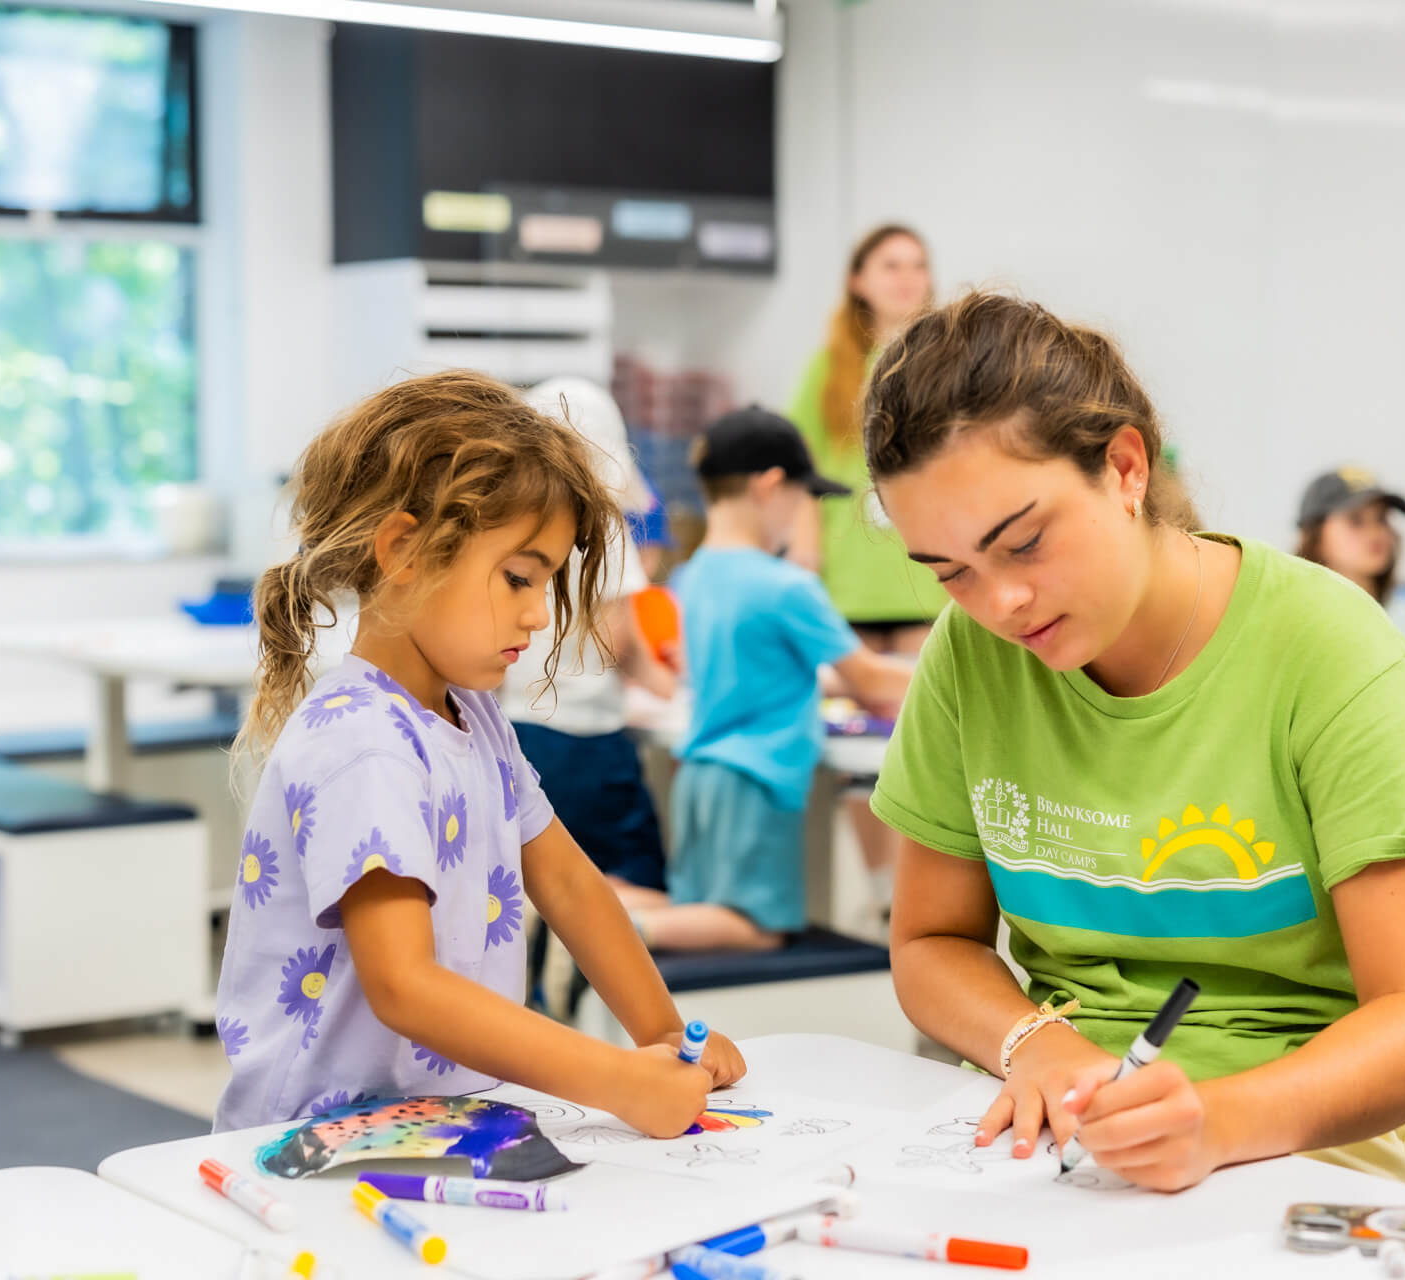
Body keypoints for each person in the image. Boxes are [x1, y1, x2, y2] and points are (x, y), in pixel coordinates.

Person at [862, 292, 1405, 1192]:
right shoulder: (969, 658)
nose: (997, 603)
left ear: (1125, 467)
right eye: (951, 571)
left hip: (1294, 1137)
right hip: (1056, 1138)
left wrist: (1219, 1122)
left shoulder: (1328, 649)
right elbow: (930, 942)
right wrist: (1033, 1041)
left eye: (1025, 543)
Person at [212, 370, 742, 1134]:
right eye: (519, 578)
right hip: (311, 1140)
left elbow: (568, 882)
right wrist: (616, 1080)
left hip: (431, 1120)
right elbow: (404, 986)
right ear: (403, 550)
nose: (536, 615)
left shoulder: (474, 718)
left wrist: (662, 1036)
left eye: (548, 583)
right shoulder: (364, 742)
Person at [613, 407, 913, 952]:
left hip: (699, 774)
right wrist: (944, 680)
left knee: (699, 909)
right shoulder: (785, 587)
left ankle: (594, 910)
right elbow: (868, 679)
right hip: (758, 782)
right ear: (771, 486)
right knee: (759, 928)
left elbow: (762, 670)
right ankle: (619, 931)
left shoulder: (694, 574)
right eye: (804, 502)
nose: (802, 516)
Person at [786, 224, 943, 908]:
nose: (906, 278)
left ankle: (918, 889)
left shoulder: (940, 363)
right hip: (849, 584)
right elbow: (799, 473)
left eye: (917, 266)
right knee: (853, 752)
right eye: (890, 265)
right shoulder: (830, 370)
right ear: (859, 280)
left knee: (922, 741)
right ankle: (882, 889)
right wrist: (806, 560)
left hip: (923, 577)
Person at [502, 377, 673, 896]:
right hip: (586, 740)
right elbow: (615, 643)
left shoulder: (512, 526)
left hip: (518, 730)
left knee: (538, 884)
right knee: (626, 877)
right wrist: (679, 696)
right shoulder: (601, 526)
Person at [1295, 467, 1405, 671]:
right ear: (1316, 537)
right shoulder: (1296, 614)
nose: (1375, 532)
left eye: (1382, 519)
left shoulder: (1402, 614)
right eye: (1356, 520)